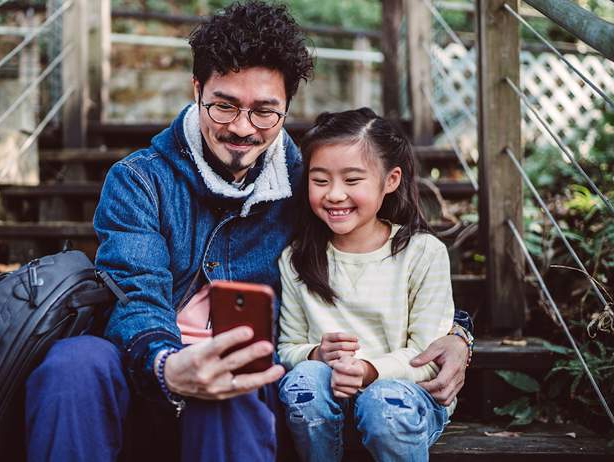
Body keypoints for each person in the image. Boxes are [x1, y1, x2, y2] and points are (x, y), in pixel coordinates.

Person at [24, 3, 473, 461]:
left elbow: (371, 252)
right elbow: (136, 295)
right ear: (196, 88)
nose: (241, 128)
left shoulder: (308, 185)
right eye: (224, 106)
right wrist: (166, 364)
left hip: (244, 396)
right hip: (148, 369)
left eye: (264, 112)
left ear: (287, 108)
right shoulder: (139, 181)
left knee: (235, 375)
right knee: (71, 364)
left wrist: (457, 335)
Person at [277, 108, 463, 462]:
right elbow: (288, 348)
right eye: (320, 180)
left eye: (352, 180)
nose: (334, 194)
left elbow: (428, 356)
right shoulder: (296, 258)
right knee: (303, 381)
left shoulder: (422, 253)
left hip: (404, 399)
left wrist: (369, 370)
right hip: (327, 402)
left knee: (384, 403)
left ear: (390, 180)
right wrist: (317, 354)